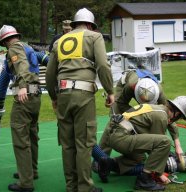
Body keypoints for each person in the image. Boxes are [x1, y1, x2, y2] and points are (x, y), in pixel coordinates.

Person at [45, 8, 114, 192]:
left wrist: (54, 97)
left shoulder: (59, 41)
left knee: (67, 144)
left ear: (74, 24)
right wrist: (110, 91)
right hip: (83, 94)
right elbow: (103, 66)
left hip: (63, 94)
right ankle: (85, 187)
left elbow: (50, 73)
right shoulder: (94, 37)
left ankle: (71, 186)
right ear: (91, 25)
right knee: (84, 143)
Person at [98, 96, 186, 191]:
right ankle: (144, 180)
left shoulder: (159, 109)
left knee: (140, 158)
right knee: (165, 141)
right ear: (177, 113)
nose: (178, 119)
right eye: (180, 117)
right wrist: (159, 173)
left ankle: (109, 164)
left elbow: (170, 125)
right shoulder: (161, 117)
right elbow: (156, 149)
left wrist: (177, 145)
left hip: (115, 135)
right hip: (122, 138)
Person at [97, 69, 183, 161]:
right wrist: (136, 114)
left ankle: (153, 149)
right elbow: (121, 103)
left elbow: (169, 116)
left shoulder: (159, 92)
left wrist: (177, 145)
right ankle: (101, 157)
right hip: (124, 86)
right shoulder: (131, 86)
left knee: (156, 117)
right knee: (115, 120)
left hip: (142, 84)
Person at [0, 25, 41, 192]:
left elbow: (21, 66)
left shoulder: (14, 48)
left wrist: (22, 85)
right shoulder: (27, 46)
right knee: (31, 135)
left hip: (24, 96)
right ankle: (32, 171)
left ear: (5, 41)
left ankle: (26, 183)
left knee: (20, 139)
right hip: (35, 97)